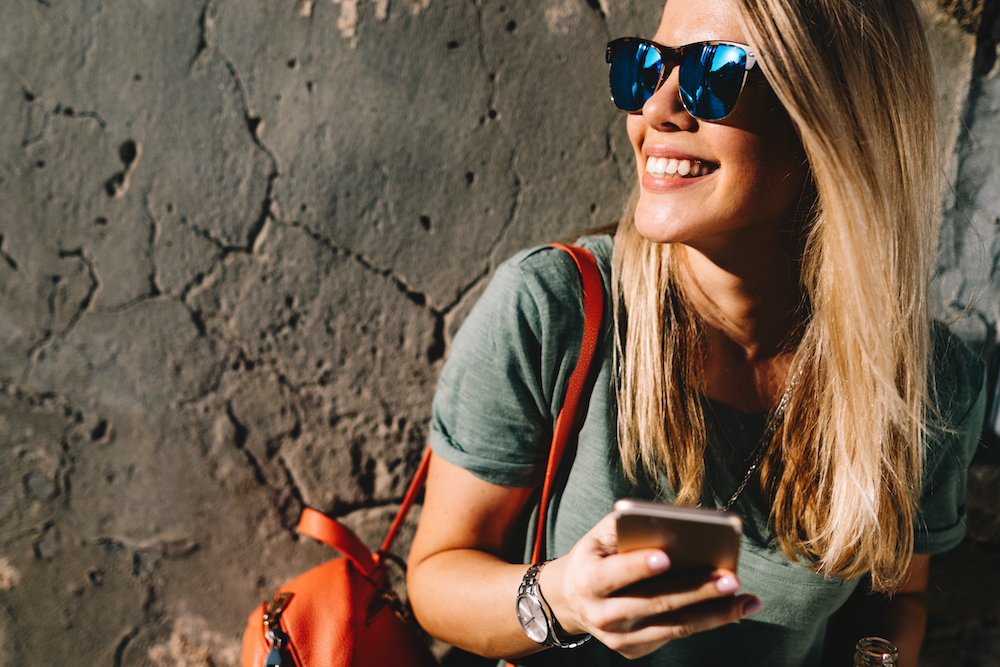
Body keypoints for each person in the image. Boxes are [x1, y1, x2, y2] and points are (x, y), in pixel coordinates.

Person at [406, 0, 987, 664]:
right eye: (642, 66)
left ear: (834, 115)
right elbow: (434, 577)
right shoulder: (551, 309)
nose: (655, 108)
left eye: (712, 73)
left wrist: (878, 655)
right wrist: (563, 596)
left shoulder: (922, 380)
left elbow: (897, 593)